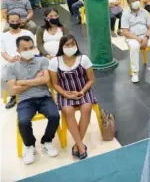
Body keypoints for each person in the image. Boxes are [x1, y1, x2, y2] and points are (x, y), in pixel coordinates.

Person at [5, 36, 60, 165]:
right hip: (25, 100)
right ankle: (29, 145)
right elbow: (13, 90)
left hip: (44, 97)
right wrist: (35, 80)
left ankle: (47, 141)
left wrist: (21, 82)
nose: (28, 50)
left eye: (31, 47)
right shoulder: (12, 67)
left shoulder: (42, 61)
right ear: (18, 50)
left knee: (54, 115)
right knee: (23, 121)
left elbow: (46, 80)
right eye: (25, 49)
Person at [49, 35, 96, 160]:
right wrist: (65, 94)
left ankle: (77, 145)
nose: (70, 47)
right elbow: (55, 84)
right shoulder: (55, 62)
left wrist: (81, 92)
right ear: (62, 47)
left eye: (72, 44)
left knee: (87, 107)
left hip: (83, 90)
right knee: (68, 111)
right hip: (65, 93)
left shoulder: (83, 59)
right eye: (67, 45)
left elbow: (91, 80)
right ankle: (81, 145)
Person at [121, 0, 150, 83]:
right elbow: (125, 32)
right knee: (134, 47)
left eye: (137, 0)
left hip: (145, 36)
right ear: (129, 4)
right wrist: (138, 39)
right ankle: (135, 72)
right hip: (132, 38)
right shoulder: (125, 14)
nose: (136, 2)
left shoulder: (145, 12)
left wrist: (146, 37)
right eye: (133, 1)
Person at [1, 12, 35, 109]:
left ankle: (34, 92)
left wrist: (25, 56)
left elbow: (34, 48)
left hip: (28, 59)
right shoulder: (3, 36)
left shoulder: (27, 33)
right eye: (12, 21)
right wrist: (9, 59)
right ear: (8, 21)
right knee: (4, 73)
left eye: (17, 20)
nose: (15, 22)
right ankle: (13, 95)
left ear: (20, 21)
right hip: (11, 62)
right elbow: (3, 52)